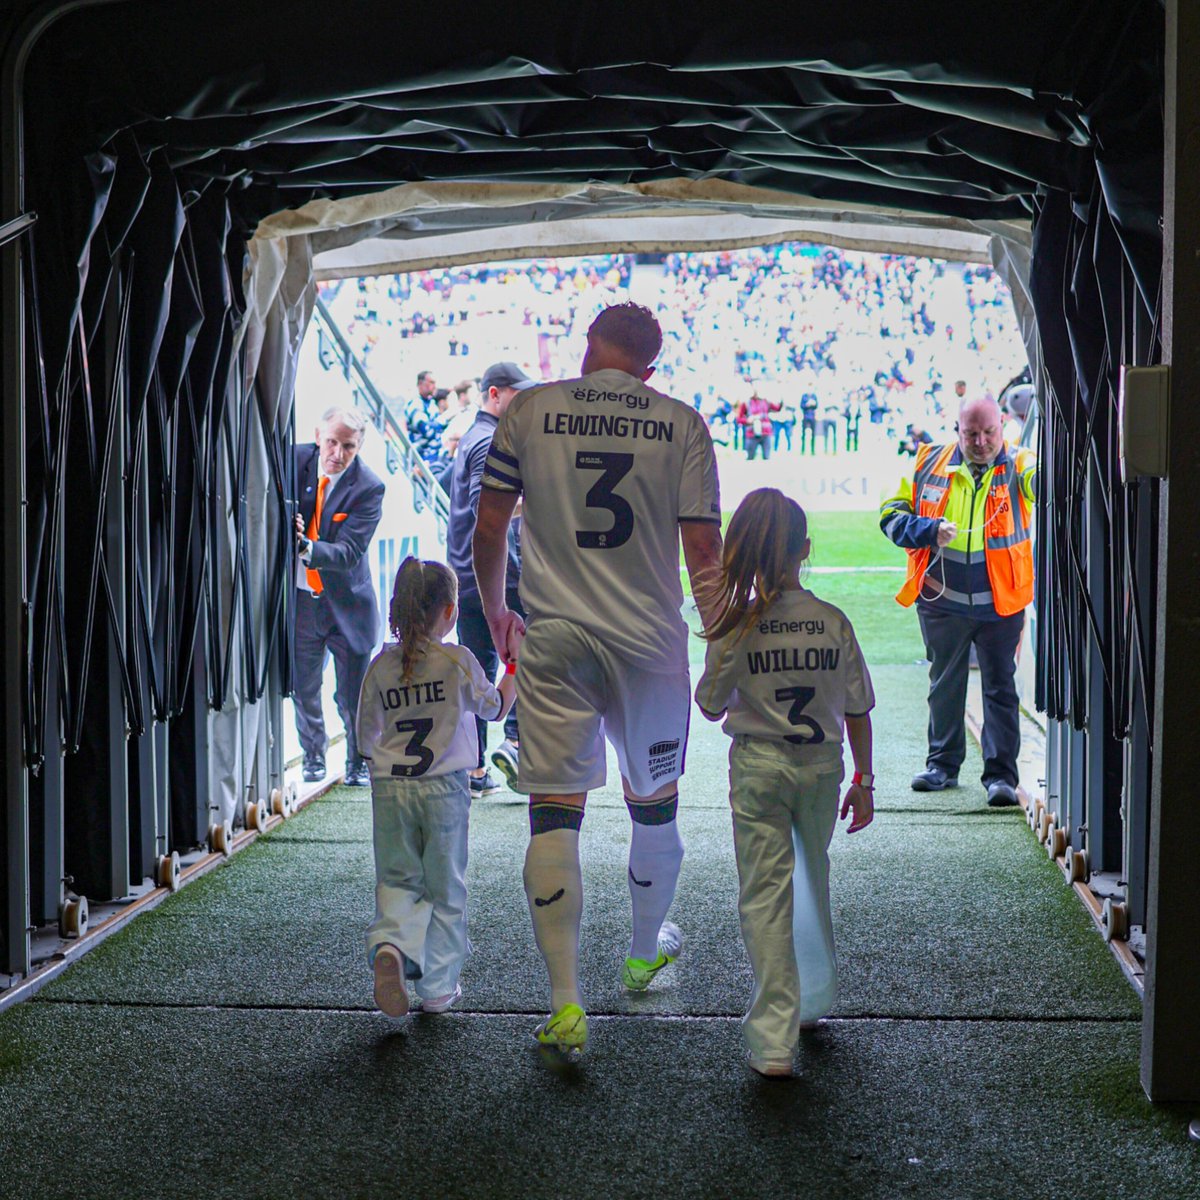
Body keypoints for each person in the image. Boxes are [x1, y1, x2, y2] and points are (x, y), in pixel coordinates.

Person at [473, 301, 724, 1056]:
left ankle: (564, 1002)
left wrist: (496, 617)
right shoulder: (680, 421)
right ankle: (646, 949)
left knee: (554, 812)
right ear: (648, 369)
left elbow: (488, 530)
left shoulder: (530, 409)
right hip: (649, 647)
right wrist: (722, 643)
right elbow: (704, 552)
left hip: (554, 639)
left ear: (589, 349)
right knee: (656, 805)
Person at [696, 489, 875, 1078]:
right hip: (823, 770)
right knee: (811, 874)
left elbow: (710, 706)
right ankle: (812, 998)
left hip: (759, 769)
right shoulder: (834, 621)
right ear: (805, 549)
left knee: (765, 895)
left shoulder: (737, 625)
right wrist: (866, 780)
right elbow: (857, 708)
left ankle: (774, 1039)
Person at [357, 558, 517, 1017]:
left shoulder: (380, 667)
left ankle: (390, 945)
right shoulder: (457, 661)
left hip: (390, 789)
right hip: (445, 789)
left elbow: (366, 737)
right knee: (446, 888)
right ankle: (438, 991)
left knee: (398, 878)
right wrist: (514, 668)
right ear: (450, 611)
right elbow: (494, 710)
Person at [880, 395, 1037, 806]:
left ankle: (1001, 777)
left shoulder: (1020, 463)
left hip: (1000, 605)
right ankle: (942, 766)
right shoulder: (928, 461)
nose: (982, 441)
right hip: (941, 600)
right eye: (971, 434)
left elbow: (1041, 482)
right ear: (957, 430)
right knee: (944, 683)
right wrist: (928, 530)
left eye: (989, 432)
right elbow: (889, 515)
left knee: (1001, 688)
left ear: (1003, 425)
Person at [446, 362, 536, 797]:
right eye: (520, 395)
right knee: (523, 655)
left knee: (478, 668)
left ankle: (476, 769)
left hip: (468, 572)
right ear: (495, 394)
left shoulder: (474, 437)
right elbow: (489, 513)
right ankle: (515, 742)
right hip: (494, 575)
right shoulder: (490, 440)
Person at [294, 407, 385, 787]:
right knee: (303, 688)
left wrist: (304, 546)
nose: (337, 453)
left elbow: (348, 553)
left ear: (359, 446)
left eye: (348, 446)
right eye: (332, 442)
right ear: (319, 436)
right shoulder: (293, 460)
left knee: (351, 699)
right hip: (300, 602)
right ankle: (313, 756)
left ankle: (357, 762)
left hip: (348, 607)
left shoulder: (369, 486)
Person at [737, 385, 781, 461]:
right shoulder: (746, 403)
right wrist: (747, 420)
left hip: (766, 433)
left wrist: (780, 399)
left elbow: (777, 408)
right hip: (752, 434)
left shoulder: (766, 401)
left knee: (766, 458)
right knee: (750, 458)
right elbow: (739, 418)